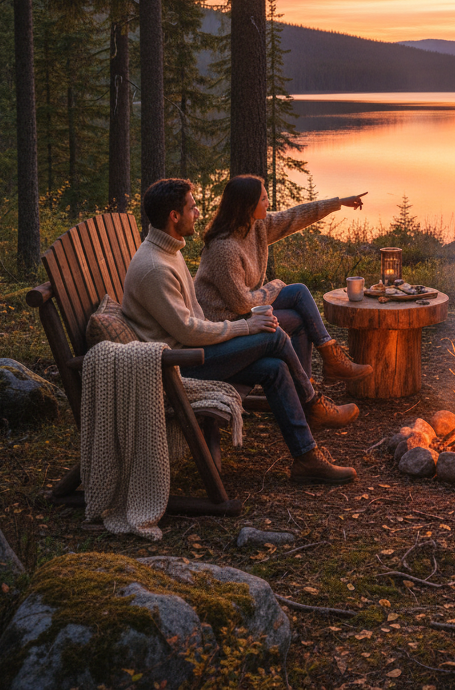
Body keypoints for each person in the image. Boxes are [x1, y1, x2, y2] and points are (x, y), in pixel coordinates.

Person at [121, 178, 356, 485]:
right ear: (174, 216)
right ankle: (312, 403)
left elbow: (291, 217)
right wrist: (244, 326)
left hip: (193, 351)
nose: (198, 213)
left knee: (273, 368)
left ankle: (306, 457)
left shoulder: (168, 251)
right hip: (179, 365)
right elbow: (188, 331)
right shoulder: (156, 268)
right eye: (192, 208)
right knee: (272, 335)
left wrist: (336, 202)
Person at [195, 175, 371, 395]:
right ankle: (307, 388)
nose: (268, 203)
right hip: (228, 323)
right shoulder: (224, 248)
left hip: (246, 310)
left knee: (299, 292)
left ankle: (328, 362)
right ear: (247, 205)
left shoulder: (256, 226)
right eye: (263, 199)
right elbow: (242, 304)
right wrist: (274, 286)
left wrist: (338, 203)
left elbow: (294, 216)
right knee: (299, 319)